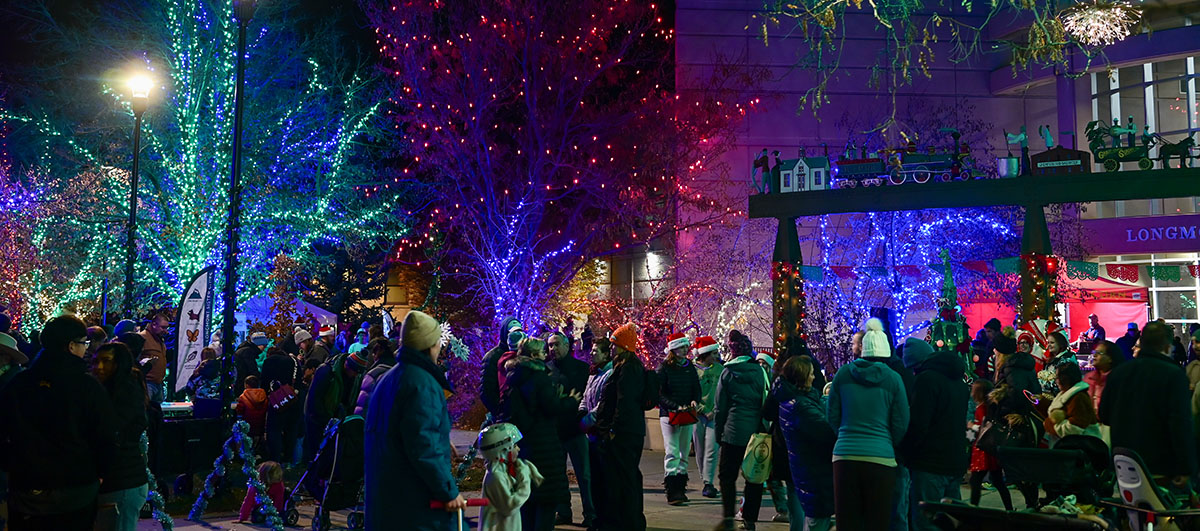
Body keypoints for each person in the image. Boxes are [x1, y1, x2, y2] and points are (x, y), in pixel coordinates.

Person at [0, 315, 118, 530]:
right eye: (84, 343)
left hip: (27, 486)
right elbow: (105, 435)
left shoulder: (19, 384)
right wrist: (100, 473)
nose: (86, 349)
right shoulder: (87, 387)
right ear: (72, 346)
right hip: (76, 486)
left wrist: (12, 465)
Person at [828, 318, 909, 531]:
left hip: (845, 456)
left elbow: (832, 414)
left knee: (847, 521)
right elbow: (901, 421)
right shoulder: (893, 379)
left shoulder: (843, 374)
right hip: (881, 457)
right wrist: (887, 441)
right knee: (878, 521)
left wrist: (844, 435)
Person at [1099, 321, 1197, 489]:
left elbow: (1104, 415)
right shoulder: (1174, 375)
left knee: (1133, 513)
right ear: (1167, 347)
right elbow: (1180, 424)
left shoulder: (1118, 373)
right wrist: (1186, 467)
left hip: (1124, 463)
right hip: (1161, 467)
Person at [496, 337, 580, 531]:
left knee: (527, 502)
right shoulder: (538, 376)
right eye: (543, 351)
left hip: (524, 445)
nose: (546, 355)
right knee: (545, 502)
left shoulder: (513, 376)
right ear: (534, 355)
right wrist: (570, 401)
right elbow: (550, 406)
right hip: (544, 445)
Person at [899, 338, 968, 531]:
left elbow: (919, 424)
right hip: (954, 460)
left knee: (926, 521)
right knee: (951, 521)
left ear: (917, 364)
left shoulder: (926, 380)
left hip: (929, 464)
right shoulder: (958, 381)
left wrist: (906, 452)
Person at [591, 323, 647, 531]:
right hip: (628, 431)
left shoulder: (628, 368)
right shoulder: (628, 366)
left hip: (623, 434)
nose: (612, 348)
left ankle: (627, 521)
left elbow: (624, 402)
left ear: (623, 346)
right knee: (626, 477)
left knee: (624, 478)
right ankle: (626, 520)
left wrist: (613, 430)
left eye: (615, 344)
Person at [91, 342, 149, 531]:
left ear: (120, 364)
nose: (99, 367)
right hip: (116, 479)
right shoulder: (104, 390)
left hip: (122, 481)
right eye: (96, 361)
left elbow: (114, 435)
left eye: (106, 361)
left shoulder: (126, 393)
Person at [714, 329, 768, 531]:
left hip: (732, 433)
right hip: (754, 434)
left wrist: (719, 433)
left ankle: (728, 517)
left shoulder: (726, 373)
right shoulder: (759, 372)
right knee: (753, 479)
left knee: (727, 477)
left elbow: (720, 408)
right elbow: (765, 399)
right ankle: (750, 519)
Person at [776, 356, 834, 531]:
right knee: (816, 519)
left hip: (806, 468)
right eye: (810, 374)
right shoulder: (800, 407)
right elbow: (827, 432)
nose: (814, 377)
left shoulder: (791, 399)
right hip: (813, 471)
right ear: (801, 378)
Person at [545, 332, 593, 526]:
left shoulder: (581, 369)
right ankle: (563, 511)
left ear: (566, 345)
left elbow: (586, 397)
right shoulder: (546, 370)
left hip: (576, 429)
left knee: (585, 476)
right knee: (558, 475)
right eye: (549, 345)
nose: (553, 349)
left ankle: (591, 513)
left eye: (556, 344)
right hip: (555, 431)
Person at [657, 332, 701, 506]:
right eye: (682, 347)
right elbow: (659, 393)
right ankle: (672, 488)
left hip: (686, 414)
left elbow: (695, 388)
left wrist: (694, 400)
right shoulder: (664, 368)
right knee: (672, 450)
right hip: (669, 415)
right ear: (673, 349)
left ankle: (681, 487)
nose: (685, 350)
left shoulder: (689, 367)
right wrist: (673, 406)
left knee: (684, 450)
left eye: (685, 346)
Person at [303, 346, 365, 463]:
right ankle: (312, 478)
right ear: (347, 365)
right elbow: (315, 399)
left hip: (334, 419)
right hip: (317, 419)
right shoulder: (327, 371)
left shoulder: (352, 377)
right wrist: (324, 419)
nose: (356, 375)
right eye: (355, 371)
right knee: (316, 454)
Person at [479, 423, 543, 531]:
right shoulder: (495, 476)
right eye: (514, 446)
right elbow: (509, 507)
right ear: (503, 449)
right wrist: (525, 481)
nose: (518, 449)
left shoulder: (502, 472)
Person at [967, 380, 1013, 511]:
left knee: (975, 481)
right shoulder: (991, 407)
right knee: (998, 481)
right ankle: (1009, 508)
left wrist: (970, 426)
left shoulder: (982, 408)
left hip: (983, 451)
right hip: (990, 450)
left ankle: (972, 509)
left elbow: (982, 427)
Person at [691, 335, 723, 499]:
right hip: (698, 415)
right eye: (714, 353)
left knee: (712, 448)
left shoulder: (720, 370)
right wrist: (702, 409)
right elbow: (690, 394)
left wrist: (715, 410)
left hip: (714, 415)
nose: (717, 356)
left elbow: (722, 392)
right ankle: (704, 478)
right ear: (705, 354)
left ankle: (708, 482)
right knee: (700, 449)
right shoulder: (692, 370)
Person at [1042, 363, 1101, 444]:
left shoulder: (1078, 397)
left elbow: (1074, 429)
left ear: (1065, 378)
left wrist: (1050, 425)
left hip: (1080, 448)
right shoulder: (1065, 393)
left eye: (1057, 377)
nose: (1056, 380)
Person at [261, 344, 300, 464]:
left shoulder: (268, 362)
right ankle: (288, 458)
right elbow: (298, 379)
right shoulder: (292, 361)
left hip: (276, 399)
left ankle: (275, 458)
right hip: (292, 399)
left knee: (274, 430)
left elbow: (264, 382)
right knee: (291, 429)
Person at [482, 317, 525, 416]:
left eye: (519, 332)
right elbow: (487, 390)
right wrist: (500, 411)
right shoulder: (492, 357)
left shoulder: (524, 354)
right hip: (502, 414)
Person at [354, 338, 398, 418]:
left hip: (374, 421)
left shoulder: (373, 375)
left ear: (375, 355)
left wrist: (358, 422)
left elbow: (363, 405)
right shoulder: (399, 372)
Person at [138, 313, 171, 405]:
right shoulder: (142, 338)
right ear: (154, 324)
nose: (166, 331)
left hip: (158, 383)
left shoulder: (159, 339)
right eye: (163, 327)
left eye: (166, 328)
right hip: (147, 383)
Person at [1085, 340, 1124, 411]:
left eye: (1099, 353)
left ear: (1110, 358)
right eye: (1094, 352)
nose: (1094, 355)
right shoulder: (1088, 377)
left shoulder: (1118, 380)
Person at [234, 332, 270, 397]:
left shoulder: (245, 350)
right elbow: (252, 369)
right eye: (264, 346)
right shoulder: (248, 352)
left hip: (240, 382)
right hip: (243, 383)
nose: (264, 349)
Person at [237, 375, 269, 443]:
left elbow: (239, 411)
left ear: (247, 385)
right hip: (261, 426)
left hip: (247, 426)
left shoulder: (243, 397)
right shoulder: (264, 396)